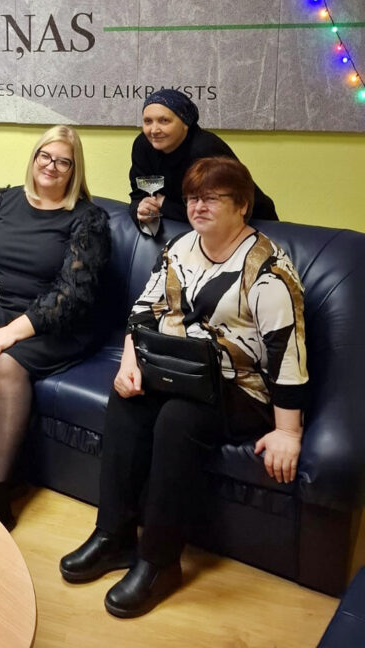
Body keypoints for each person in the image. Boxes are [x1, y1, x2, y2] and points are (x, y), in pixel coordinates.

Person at [60, 156, 307, 618]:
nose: (198, 206)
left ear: (242, 205)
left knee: (178, 418)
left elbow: (287, 356)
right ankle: (113, 535)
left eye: (211, 198)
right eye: (193, 197)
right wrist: (129, 367)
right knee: (127, 399)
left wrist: (287, 432)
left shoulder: (269, 271)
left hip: (240, 385)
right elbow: (142, 310)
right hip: (178, 369)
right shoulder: (180, 247)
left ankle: (159, 561)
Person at [0, 125, 110, 529]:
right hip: (0, 307)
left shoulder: (87, 219)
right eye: (45, 156)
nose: (51, 166)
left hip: (57, 322)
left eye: (63, 162)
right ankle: (11, 468)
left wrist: (11, 332)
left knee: (8, 362)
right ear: (34, 157)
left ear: (74, 170)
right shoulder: (3, 200)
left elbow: (73, 295)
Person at [129, 89, 277, 234]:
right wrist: (142, 210)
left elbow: (217, 210)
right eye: (148, 121)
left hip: (252, 224)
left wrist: (164, 205)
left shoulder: (206, 149)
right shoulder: (143, 145)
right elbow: (139, 195)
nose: (154, 130)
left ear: (185, 123)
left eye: (164, 121)